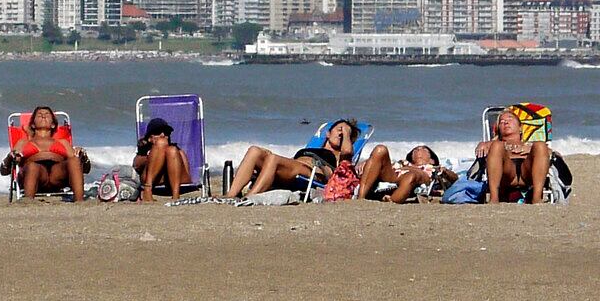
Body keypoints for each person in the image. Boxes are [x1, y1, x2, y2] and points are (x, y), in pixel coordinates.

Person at [222, 119, 359, 199]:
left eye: (345, 132)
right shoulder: (311, 149)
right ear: (328, 134)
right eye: (339, 129)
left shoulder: (340, 155)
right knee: (255, 151)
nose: (341, 133)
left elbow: (348, 152)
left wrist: (347, 133)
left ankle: (250, 197)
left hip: (313, 172)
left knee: (273, 159)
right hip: (292, 167)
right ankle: (231, 195)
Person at [0, 106, 87, 202]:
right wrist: (10, 157)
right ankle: (28, 202)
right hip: (34, 177)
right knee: (33, 166)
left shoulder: (63, 142)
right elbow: (4, 171)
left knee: (74, 160)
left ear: (53, 125)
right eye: (39, 115)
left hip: (57, 177)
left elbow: (84, 169)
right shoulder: (23, 143)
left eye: (47, 115)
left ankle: (79, 201)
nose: (43, 116)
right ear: (33, 125)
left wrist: (83, 157)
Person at [475, 107, 551, 203]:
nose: (506, 122)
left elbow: (550, 153)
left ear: (520, 127)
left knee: (540, 145)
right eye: (501, 122)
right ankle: (494, 199)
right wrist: (482, 145)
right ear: (499, 129)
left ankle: (537, 198)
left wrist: (530, 148)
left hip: (528, 173)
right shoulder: (492, 144)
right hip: (506, 174)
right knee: (497, 145)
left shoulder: (531, 145)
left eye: (510, 119)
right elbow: (481, 151)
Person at [357, 144, 458, 203]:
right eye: (415, 150)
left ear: (432, 160)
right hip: (394, 175)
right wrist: (368, 162)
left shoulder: (434, 168)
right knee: (380, 149)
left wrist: (446, 171)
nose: (418, 150)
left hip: (419, 176)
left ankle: (392, 201)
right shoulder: (402, 163)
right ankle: (360, 198)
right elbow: (381, 165)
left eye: (424, 150)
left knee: (411, 175)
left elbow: (456, 179)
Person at [133, 118, 191, 202]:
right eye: (158, 132)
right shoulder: (144, 151)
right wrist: (151, 155)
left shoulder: (177, 151)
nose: (163, 135)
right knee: (161, 143)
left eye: (166, 132)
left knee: (171, 150)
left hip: (175, 184)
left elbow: (187, 179)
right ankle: (148, 189)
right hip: (153, 181)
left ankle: (175, 194)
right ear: (149, 137)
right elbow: (136, 166)